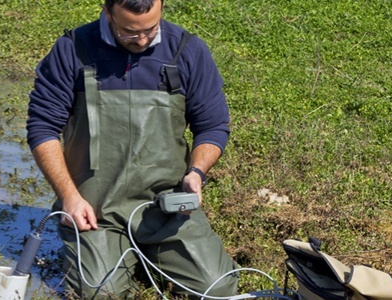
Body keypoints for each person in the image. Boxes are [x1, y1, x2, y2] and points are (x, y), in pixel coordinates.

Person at [26, 0, 238, 298]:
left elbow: (213, 126)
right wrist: (69, 197)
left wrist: (197, 171)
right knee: (101, 294)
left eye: (150, 30)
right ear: (107, 12)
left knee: (220, 289)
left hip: (166, 209)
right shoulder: (72, 49)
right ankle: (111, 253)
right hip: (96, 212)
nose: (140, 40)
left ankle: (147, 254)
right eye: (128, 32)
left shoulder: (187, 49)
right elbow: (42, 129)